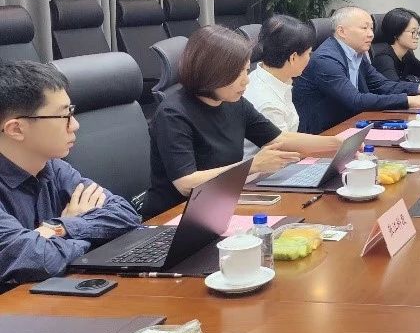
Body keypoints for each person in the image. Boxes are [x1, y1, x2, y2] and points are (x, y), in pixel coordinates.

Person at [144, 26, 341, 218]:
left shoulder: (234, 102)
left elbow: (279, 138)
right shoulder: (173, 114)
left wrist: (338, 144)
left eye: (246, 71)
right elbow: (186, 183)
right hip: (173, 216)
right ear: (211, 72)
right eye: (238, 74)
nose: (246, 80)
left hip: (220, 203)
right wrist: (252, 165)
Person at [0, 61, 142, 285]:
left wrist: (59, 227)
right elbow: (43, 260)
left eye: (71, 112)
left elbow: (125, 215)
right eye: (63, 116)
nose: (74, 125)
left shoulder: (53, 167)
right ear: (16, 129)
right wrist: (87, 232)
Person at [293, 7, 420, 134]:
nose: (371, 34)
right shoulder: (326, 60)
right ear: (342, 31)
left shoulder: (356, 54)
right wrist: (408, 100)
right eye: (364, 28)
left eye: (371, 28)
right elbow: (355, 100)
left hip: (352, 124)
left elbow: (382, 85)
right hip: (325, 133)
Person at [243, 14, 314, 156]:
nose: (310, 59)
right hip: (270, 168)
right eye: (309, 54)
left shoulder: (273, 78)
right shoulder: (267, 102)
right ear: (293, 58)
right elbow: (286, 152)